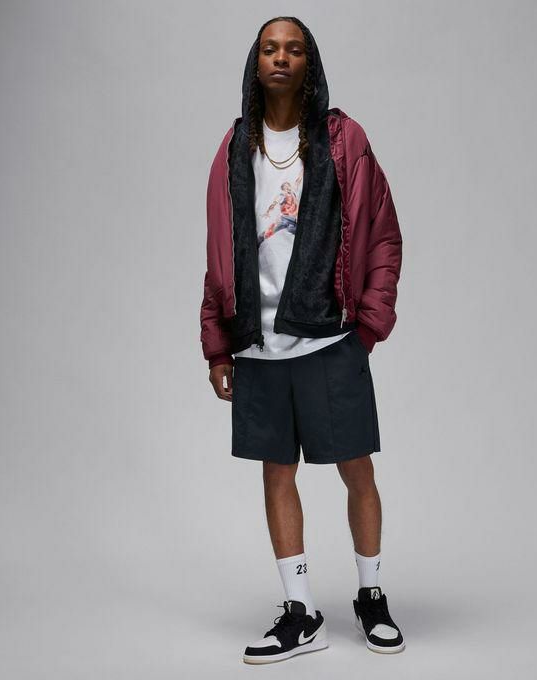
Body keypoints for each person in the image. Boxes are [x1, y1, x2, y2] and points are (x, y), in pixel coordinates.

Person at [200, 16, 404, 664]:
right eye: (270, 48)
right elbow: (218, 253)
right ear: (255, 63)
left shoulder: (344, 141)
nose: (281, 58)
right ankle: (301, 611)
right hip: (257, 345)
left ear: (308, 63)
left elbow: (383, 233)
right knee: (276, 474)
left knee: (356, 470)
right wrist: (217, 343)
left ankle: (371, 595)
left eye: (293, 49)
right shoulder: (234, 148)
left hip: (328, 338)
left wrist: (367, 326)